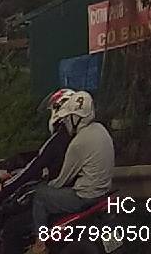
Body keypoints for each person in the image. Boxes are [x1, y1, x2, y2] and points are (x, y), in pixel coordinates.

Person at [0, 89, 77, 254]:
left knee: (12, 228)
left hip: (62, 196)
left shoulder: (59, 139)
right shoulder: (77, 137)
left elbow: (34, 167)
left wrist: (6, 187)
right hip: (76, 192)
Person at [26, 90, 114, 254]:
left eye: (68, 118)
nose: (66, 121)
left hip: (84, 196)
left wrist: (47, 184)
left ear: (76, 117)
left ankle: (40, 243)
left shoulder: (78, 143)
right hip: (104, 191)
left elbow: (62, 180)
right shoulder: (101, 130)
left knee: (40, 195)